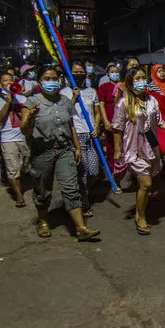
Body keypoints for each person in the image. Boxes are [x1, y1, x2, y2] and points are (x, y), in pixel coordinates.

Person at [21, 65, 99, 241]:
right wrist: (30, 118)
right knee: (42, 190)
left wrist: (77, 147)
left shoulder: (65, 101)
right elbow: (25, 130)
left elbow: (71, 125)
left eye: (54, 78)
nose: (51, 82)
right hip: (43, 152)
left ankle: (80, 227)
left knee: (72, 188)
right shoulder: (32, 102)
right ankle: (43, 222)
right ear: (40, 81)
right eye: (47, 79)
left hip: (65, 150)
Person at [112, 67, 165, 235]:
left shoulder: (152, 101)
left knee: (146, 184)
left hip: (151, 146)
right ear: (130, 82)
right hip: (133, 148)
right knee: (146, 184)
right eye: (137, 78)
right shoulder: (123, 103)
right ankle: (140, 216)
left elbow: (159, 121)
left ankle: (141, 206)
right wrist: (117, 149)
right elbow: (117, 128)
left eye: (143, 77)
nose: (142, 81)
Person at [61, 61, 102, 218]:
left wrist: (96, 127)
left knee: (93, 171)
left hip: (91, 134)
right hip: (76, 134)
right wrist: (73, 98)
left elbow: (96, 112)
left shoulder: (92, 91)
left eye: (81, 72)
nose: (78, 75)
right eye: (75, 72)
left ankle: (81, 192)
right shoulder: (64, 92)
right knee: (83, 172)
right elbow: (65, 113)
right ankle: (83, 204)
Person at [0, 73, 30, 207]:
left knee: (25, 163)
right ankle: (19, 196)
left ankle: (20, 181)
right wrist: (8, 102)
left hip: (24, 137)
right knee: (12, 169)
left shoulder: (22, 98)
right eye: (4, 80)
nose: (8, 82)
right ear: (0, 84)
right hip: (8, 139)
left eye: (10, 79)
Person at [98, 63, 122, 172]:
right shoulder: (103, 87)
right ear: (108, 74)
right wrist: (106, 121)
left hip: (122, 118)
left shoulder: (123, 86)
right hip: (109, 117)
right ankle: (112, 170)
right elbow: (101, 105)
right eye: (112, 72)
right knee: (111, 146)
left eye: (116, 72)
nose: (115, 74)